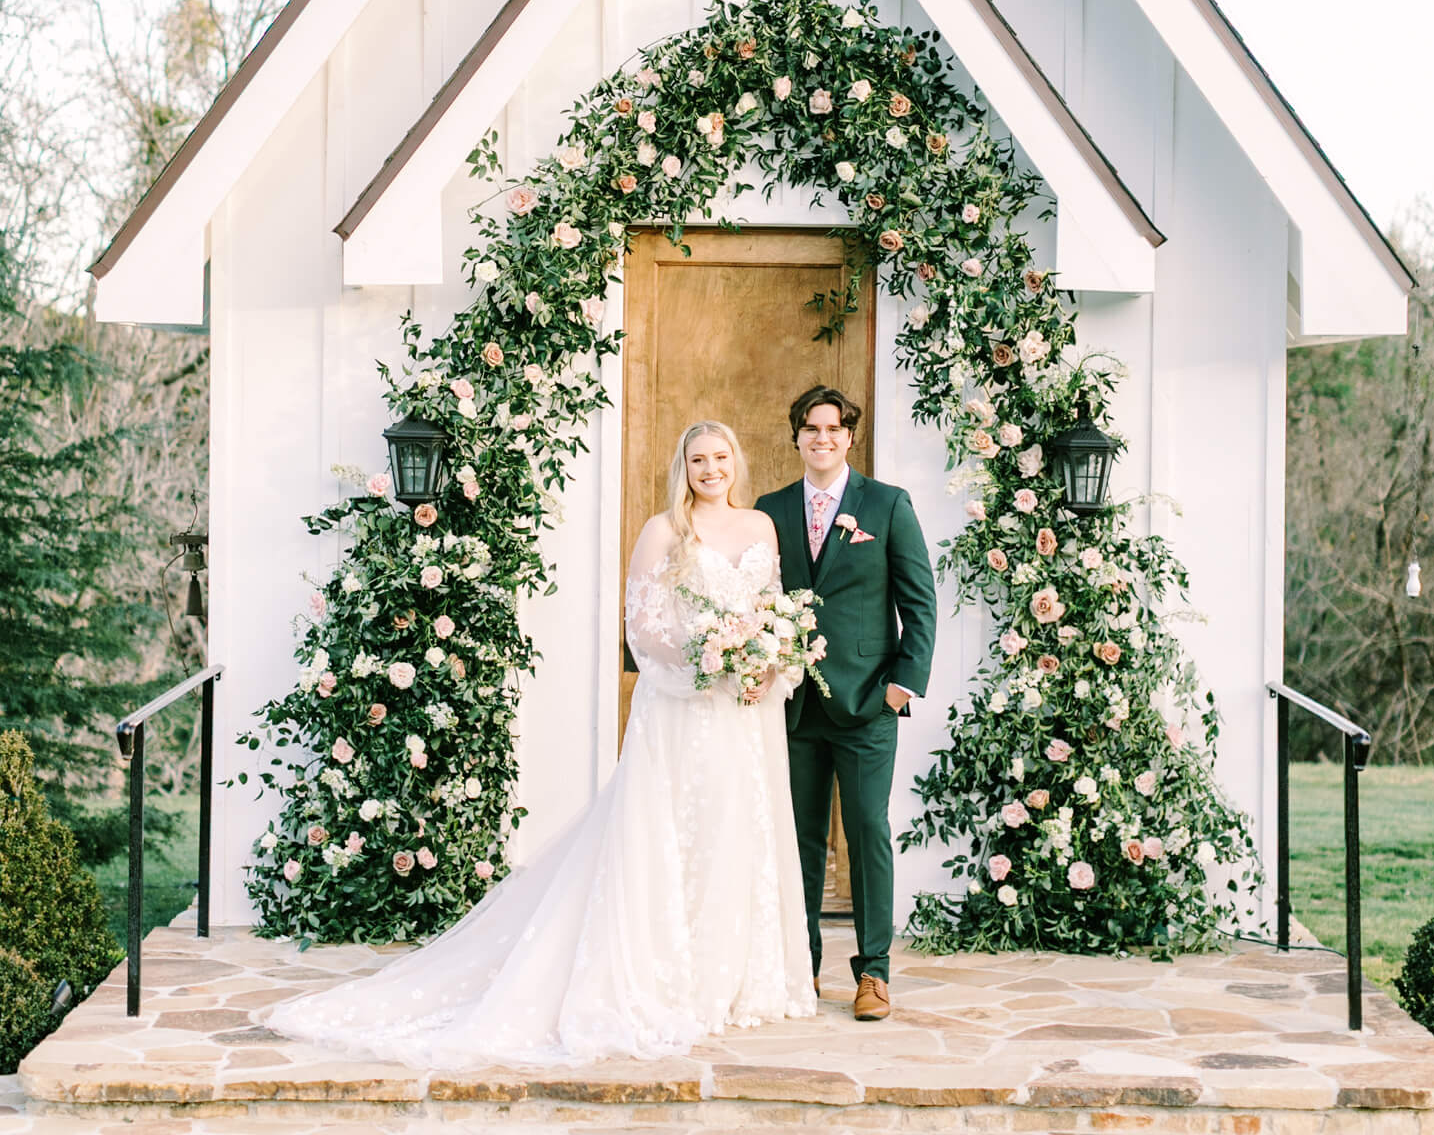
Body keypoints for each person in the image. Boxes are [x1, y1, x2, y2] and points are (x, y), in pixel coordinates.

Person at [263, 421, 815, 1067]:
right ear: (683, 466)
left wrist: (767, 664)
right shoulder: (664, 531)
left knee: (736, 832)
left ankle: (733, 979)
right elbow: (645, 629)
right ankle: (678, 980)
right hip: (686, 711)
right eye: (699, 459)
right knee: (677, 833)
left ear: (736, 462)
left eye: (721, 457)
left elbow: (776, 613)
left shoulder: (760, 528)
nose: (712, 468)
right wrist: (710, 661)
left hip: (746, 715)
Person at [756, 385, 937, 1023]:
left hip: (867, 703)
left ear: (849, 437)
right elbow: (756, 599)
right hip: (794, 704)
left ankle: (875, 974)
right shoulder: (769, 510)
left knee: (867, 835)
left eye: (833, 429)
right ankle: (798, 970)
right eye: (811, 428)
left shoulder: (886, 505)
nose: (822, 438)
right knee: (798, 842)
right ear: (797, 436)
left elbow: (919, 602)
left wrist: (900, 685)